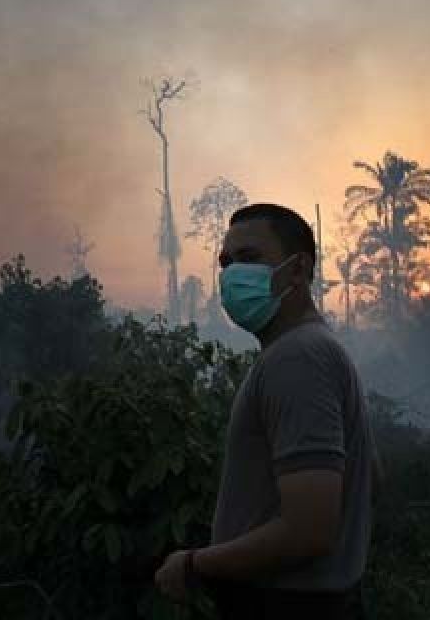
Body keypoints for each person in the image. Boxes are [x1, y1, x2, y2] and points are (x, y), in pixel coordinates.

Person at [154, 203, 376, 619]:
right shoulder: (310, 350)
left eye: (250, 258)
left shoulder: (298, 358)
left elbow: (309, 530)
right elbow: (367, 480)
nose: (233, 274)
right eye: (226, 262)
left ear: (297, 270)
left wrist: (193, 564)